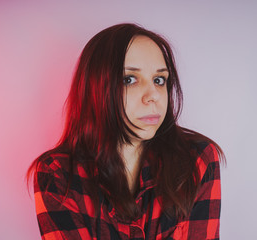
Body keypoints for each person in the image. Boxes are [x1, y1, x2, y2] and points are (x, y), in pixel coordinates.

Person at [27, 23, 225, 240]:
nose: (153, 96)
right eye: (129, 79)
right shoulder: (57, 175)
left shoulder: (196, 160)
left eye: (159, 80)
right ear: (97, 88)